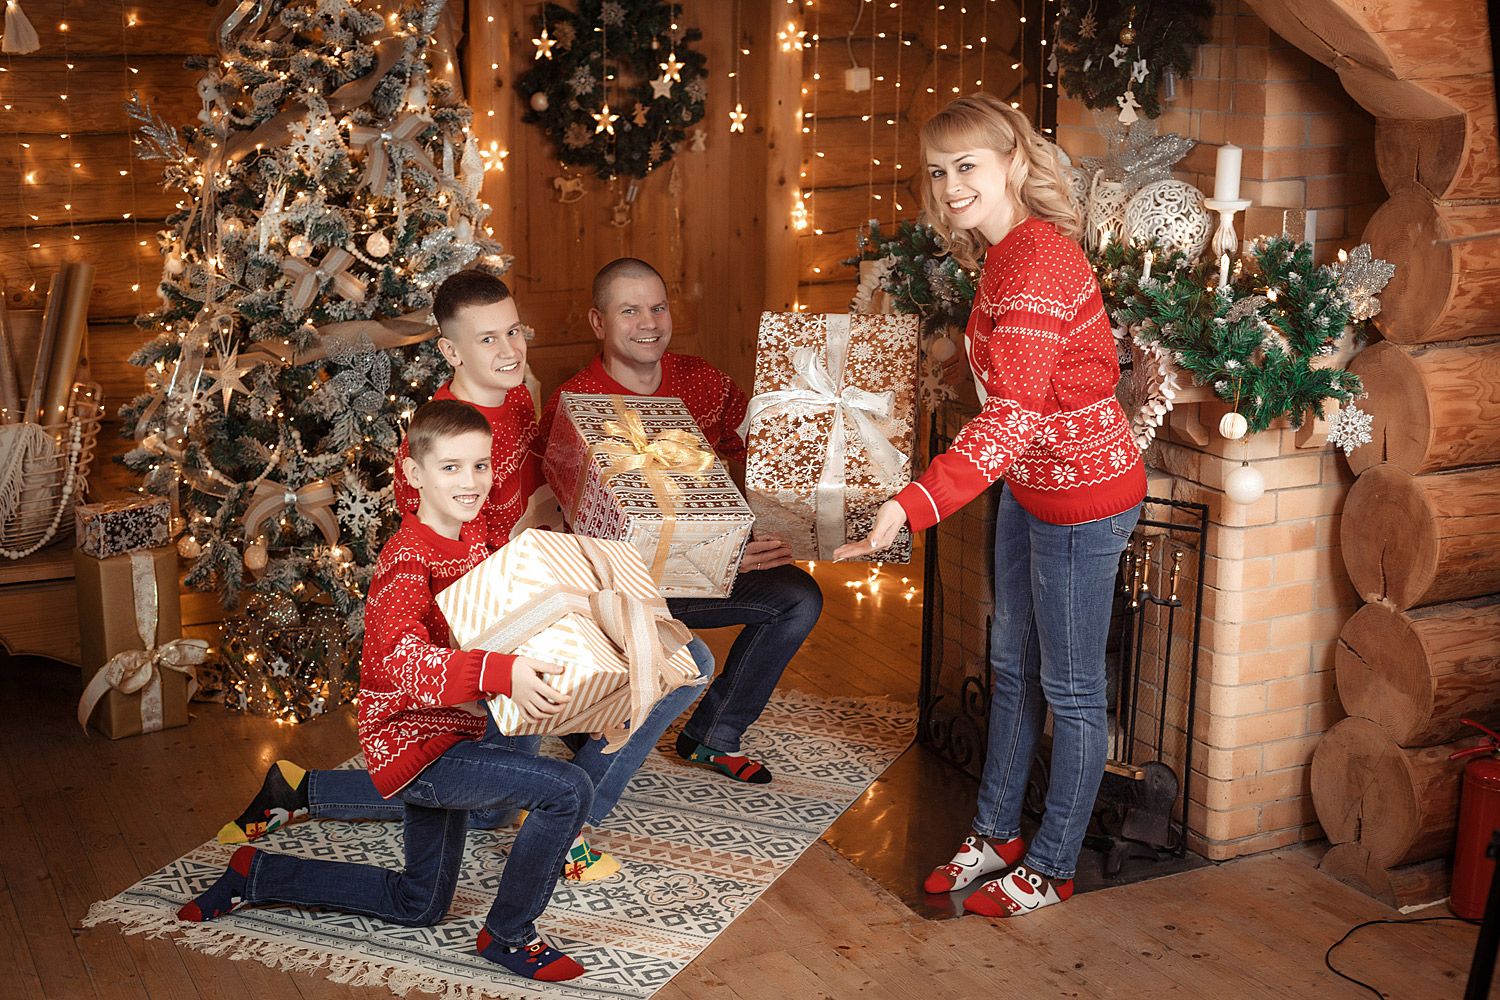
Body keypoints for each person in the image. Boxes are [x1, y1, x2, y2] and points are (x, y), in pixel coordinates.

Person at [217, 271, 716, 882]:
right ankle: (562, 821)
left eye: (513, 331)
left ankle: (310, 790)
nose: (509, 349)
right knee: (503, 796)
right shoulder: (442, 442)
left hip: (547, 580)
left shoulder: (517, 396)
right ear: (451, 351)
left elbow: (538, 487)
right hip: (494, 620)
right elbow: (446, 573)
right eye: (487, 339)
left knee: (682, 661)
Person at [835, 93, 1146, 918]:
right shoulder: (1003, 253)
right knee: (1009, 662)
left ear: (1012, 161)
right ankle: (996, 832)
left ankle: (1051, 867)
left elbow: (1012, 413)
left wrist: (911, 503)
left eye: (966, 166)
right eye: (938, 172)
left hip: (1082, 497)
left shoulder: (1037, 260)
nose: (950, 186)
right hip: (1030, 484)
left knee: (1071, 691)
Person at [179, 400, 589, 983]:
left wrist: (592, 697)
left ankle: (256, 874)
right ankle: (509, 935)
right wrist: (499, 674)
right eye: (451, 467)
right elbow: (402, 660)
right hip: (415, 746)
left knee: (418, 903)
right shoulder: (407, 561)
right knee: (568, 790)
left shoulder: (473, 538)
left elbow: (502, 622)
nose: (471, 481)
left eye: (480, 465)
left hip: (453, 730)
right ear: (415, 473)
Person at [540, 258, 824, 785]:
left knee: (798, 598)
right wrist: (718, 555)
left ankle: (713, 735)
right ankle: (590, 720)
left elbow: (763, 453)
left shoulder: (703, 380)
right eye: (630, 311)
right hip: (617, 590)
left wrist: (767, 527)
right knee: (604, 737)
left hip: (705, 573)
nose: (649, 323)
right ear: (598, 322)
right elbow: (572, 536)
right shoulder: (574, 403)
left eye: (658, 307)